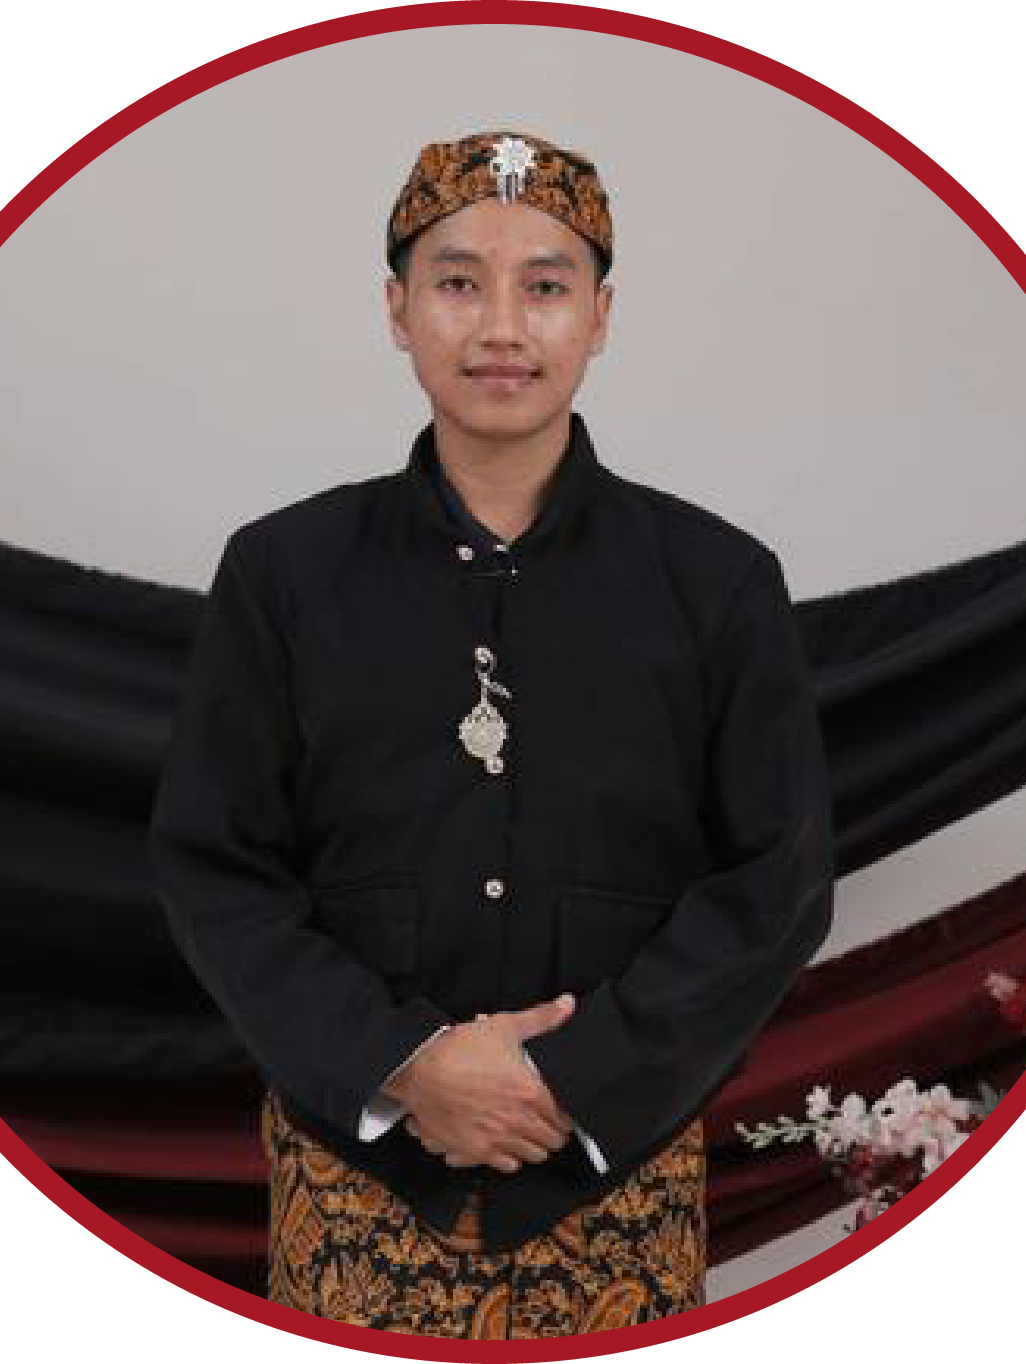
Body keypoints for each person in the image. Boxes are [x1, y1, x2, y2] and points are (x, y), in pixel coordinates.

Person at [147, 130, 834, 1338]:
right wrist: (404, 1062)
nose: (502, 326)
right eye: (458, 282)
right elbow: (217, 869)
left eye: (546, 285)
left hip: (614, 1179)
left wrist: (571, 1078)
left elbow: (773, 884)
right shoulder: (283, 573)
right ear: (397, 309)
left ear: (600, 316)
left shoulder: (716, 582)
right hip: (354, 1180)